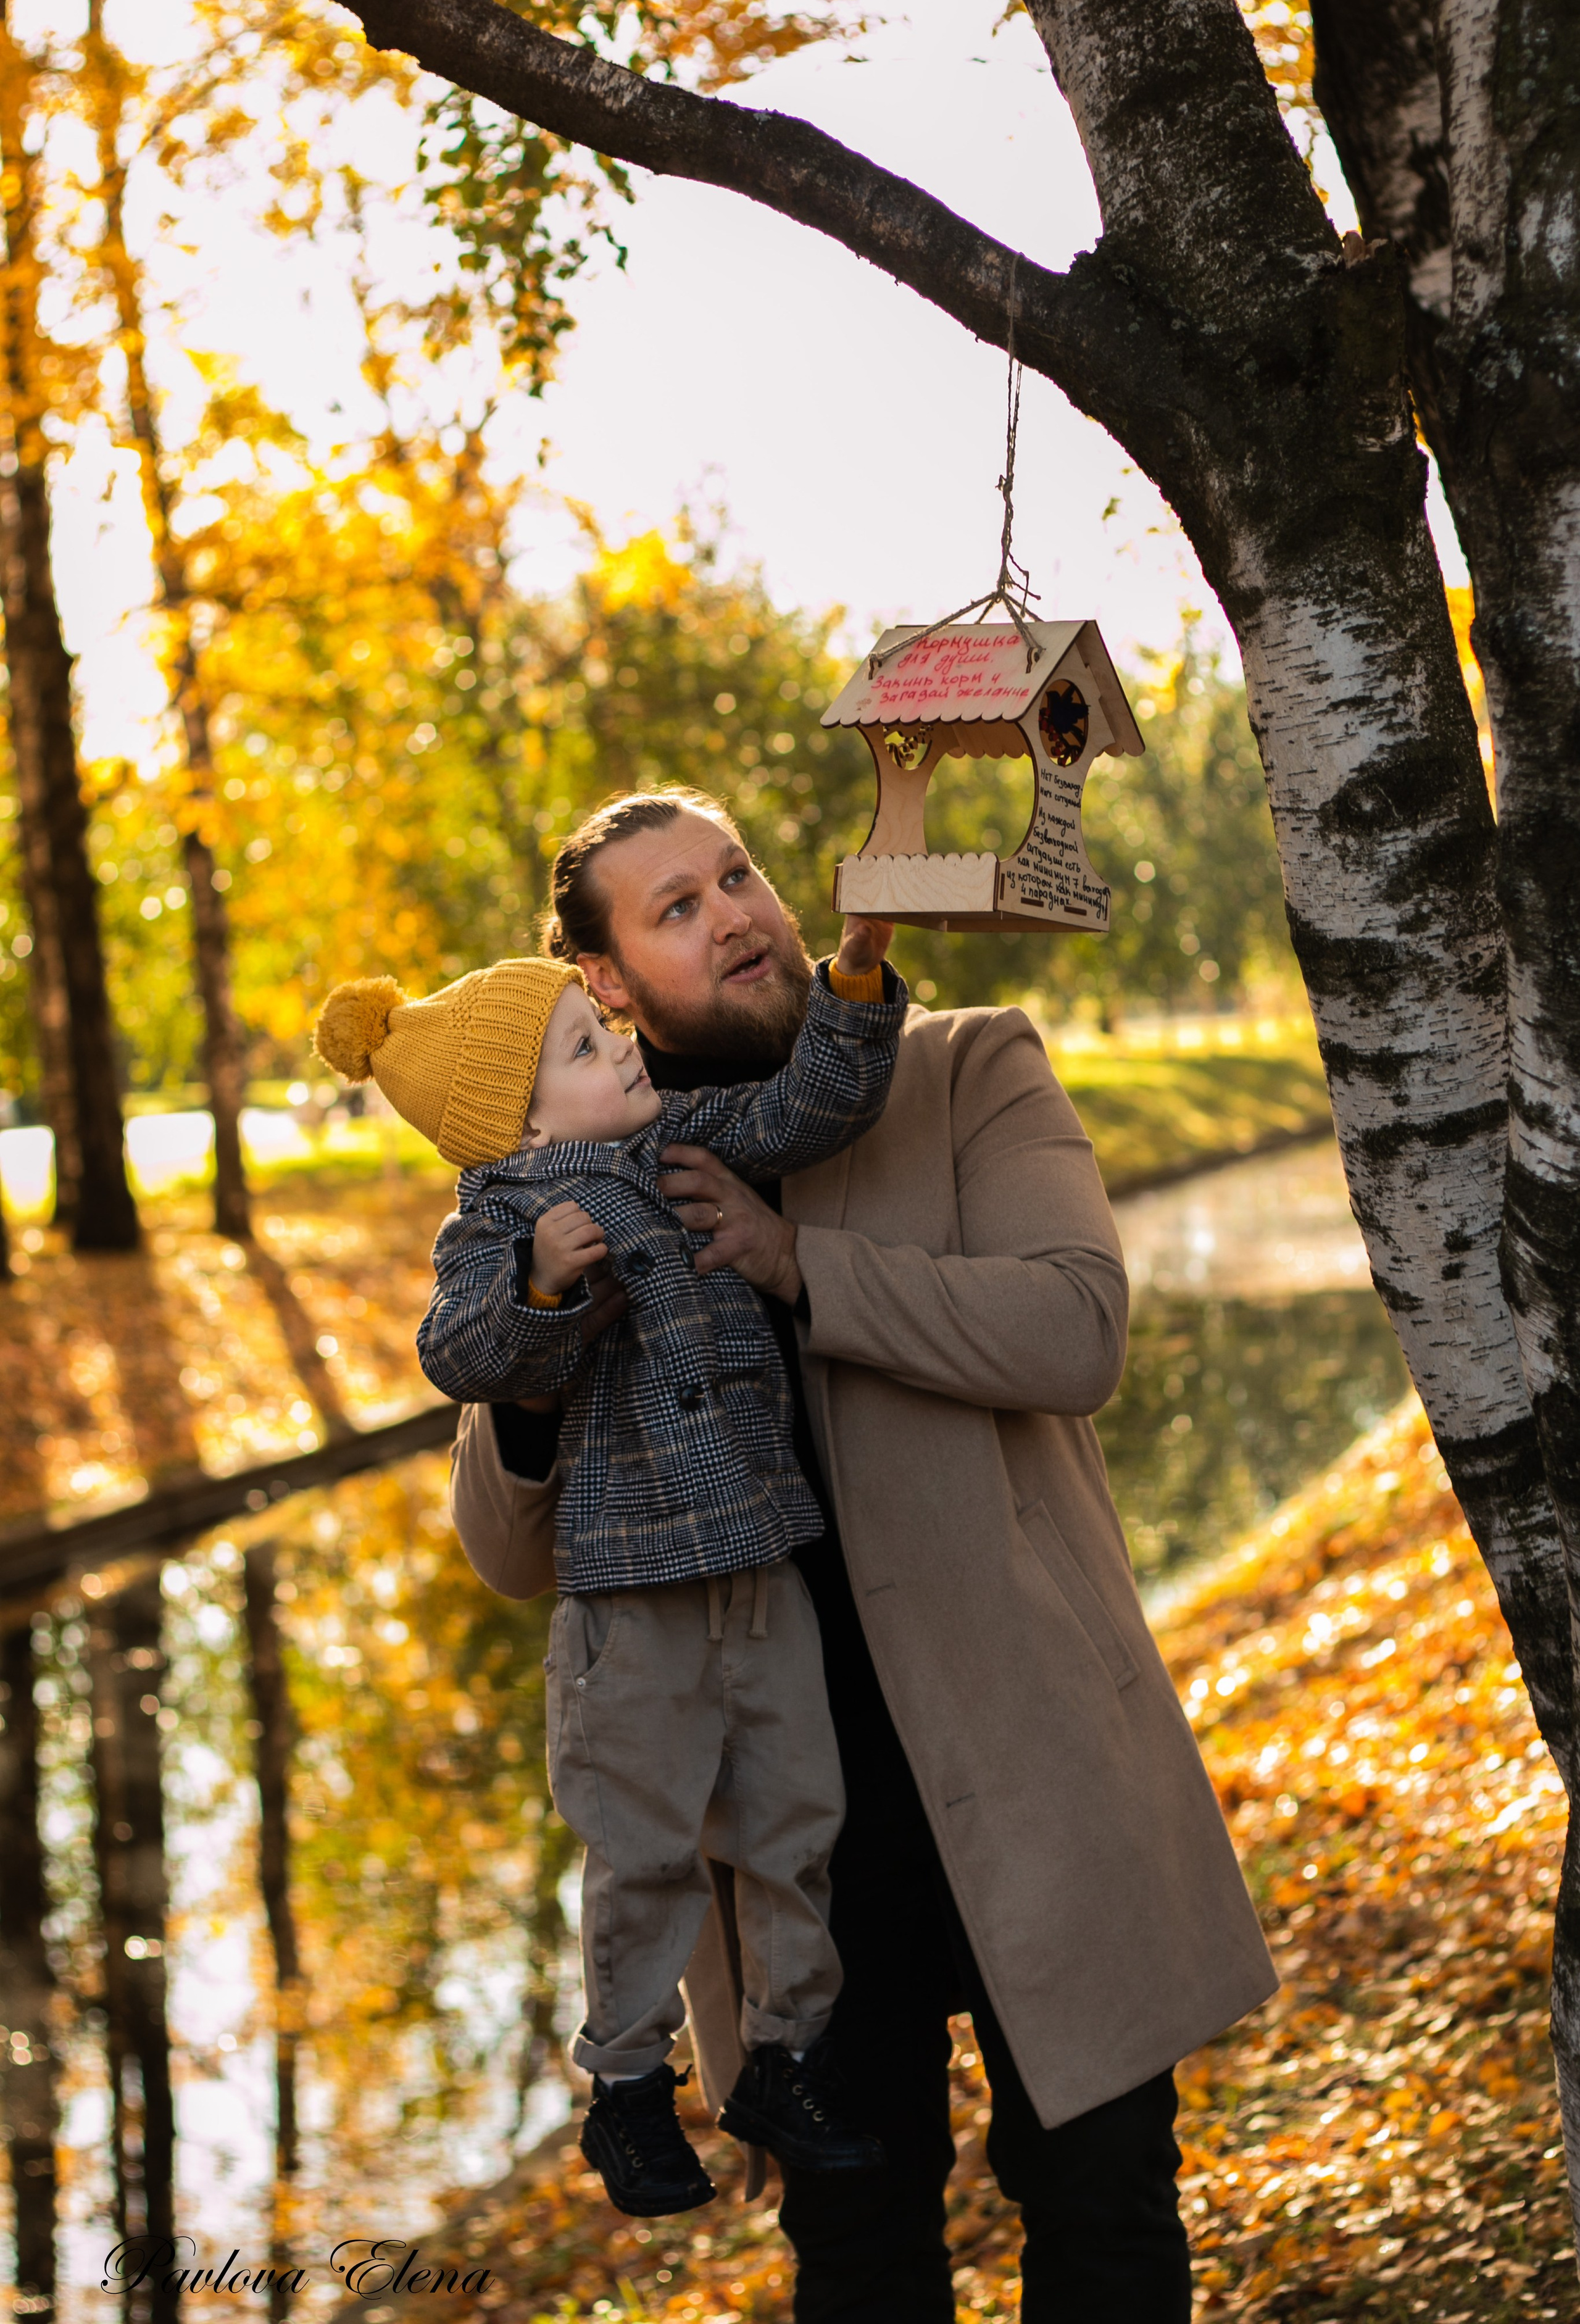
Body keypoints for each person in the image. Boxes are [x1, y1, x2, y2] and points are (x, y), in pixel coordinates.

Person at [449, 788, 1279, 2322]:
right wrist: (543, 1331)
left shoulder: (965, 1070)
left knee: (1102, 2219)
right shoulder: (566, 1190)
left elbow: (1074, 1329)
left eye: (737, 874)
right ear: (606, 987)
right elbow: (508, 1553)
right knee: (860, 2259)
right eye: (676, 908)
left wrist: (793, 1263)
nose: (737, 913)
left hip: (1039, 1779)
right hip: (787, 1860)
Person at [313, 928, 906, 2220]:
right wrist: (539, 1284)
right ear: (516, 1129)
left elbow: (811, 1102)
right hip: (632, 1597)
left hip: (759, 1560)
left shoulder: (685, 1138)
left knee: (798, 1822)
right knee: (641, 1851)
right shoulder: (499, 1220)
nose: (622, 1042)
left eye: (606, 1027)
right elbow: (464, 1354)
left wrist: (854, 982)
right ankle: (629, 2087)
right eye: (586, 1046)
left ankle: (784, 2056)